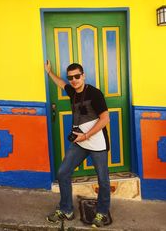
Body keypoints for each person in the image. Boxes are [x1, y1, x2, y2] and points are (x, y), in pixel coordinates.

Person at [45, 60, 111, 228]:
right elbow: (61, 84)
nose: (74, 80)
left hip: (97, 143)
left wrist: (86, 135)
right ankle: (66, 209)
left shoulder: (95, 94)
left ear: (83, 76)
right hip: (80, 143)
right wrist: (49, 72)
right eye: (71, 77)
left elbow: (105, 119)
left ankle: (102, 213)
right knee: (63, 173)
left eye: (77, 76)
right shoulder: (72, 91)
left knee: (103, 180)